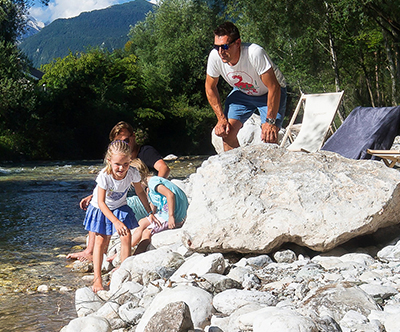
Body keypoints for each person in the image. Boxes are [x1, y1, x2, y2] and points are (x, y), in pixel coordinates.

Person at [67, 121, 170, 261]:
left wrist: (154, 187)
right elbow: (111, 185)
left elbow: (164, 168)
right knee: (97, 203)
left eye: (126, 141)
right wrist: (94, 195)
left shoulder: (145, 152)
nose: (124, 145)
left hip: (137, 197)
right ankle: (93, 251)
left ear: (133, 137)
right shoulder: (116, 163)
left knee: (109, 208)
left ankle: (105, 253)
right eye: (118, 142)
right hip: (122, 195)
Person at [83, 140, 158, 293]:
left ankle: (124, 273)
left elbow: (140, 192)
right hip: (101, 208)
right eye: (117, 164)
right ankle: (97, 279)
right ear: (109, 160)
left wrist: (150, 212)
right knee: (101, 240)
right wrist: (116, 222)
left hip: (119, 205)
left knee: (126, 236)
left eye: (125, 164)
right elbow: (102, 203)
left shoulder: (132, 172)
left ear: (130, 160)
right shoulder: (104, 176)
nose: (121, 168)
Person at [205, 21, 287, 151]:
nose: (221, 52)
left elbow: (274, 87)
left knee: (269, 136)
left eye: (225, 47)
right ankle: (235, 168)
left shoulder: (255, 53)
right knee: (227, 132)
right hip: (242, 92)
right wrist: (221, 119)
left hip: (269, 93)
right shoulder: (215, 57)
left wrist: (270, 122)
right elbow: (210, 87)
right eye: (217, 47)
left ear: (237, 43)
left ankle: (270, 169)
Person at [129, 158, 188, 252]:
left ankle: (136, 255)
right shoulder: (151, 186)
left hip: (174, 215)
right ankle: (126, 249)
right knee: (142, 222)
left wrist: (171, 216)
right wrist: (151, 215)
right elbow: (154, 206)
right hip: (165, 212)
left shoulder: (153, 183)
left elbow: (170, 194)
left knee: (146, 232)